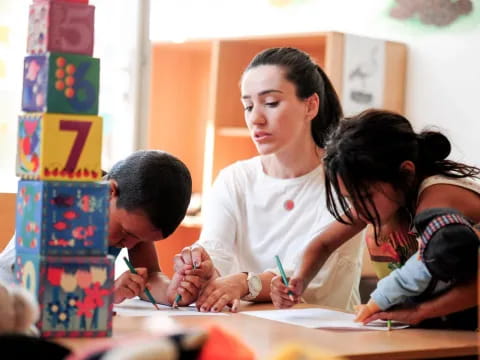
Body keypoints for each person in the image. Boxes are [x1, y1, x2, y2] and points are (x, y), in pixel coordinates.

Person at [174, 47, 364, 313]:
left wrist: (244, 283)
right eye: (248, 106)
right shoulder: (234, 179)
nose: (256, 118)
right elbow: (215, 248)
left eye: (271, 103)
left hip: (323, 339)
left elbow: (312, 278)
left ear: (310, 105)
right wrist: (203, 268)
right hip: (251, 328)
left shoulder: (343, 184)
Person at [274, 109, 479, 329]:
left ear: (406, 173)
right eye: (349, 198)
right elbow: (323, 244)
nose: (359, 209)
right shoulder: (386, 196)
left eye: (363, 196)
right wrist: (300, 280)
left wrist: (420, 312)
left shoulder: (436, 201)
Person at [0, 150, 204, 306]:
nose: (130, 244)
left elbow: (149, 275)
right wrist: (105, 293)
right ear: (109, 192)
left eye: (140, 239)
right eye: (127, 233)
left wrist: (170, 291)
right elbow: (40, 285)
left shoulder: (134, 218)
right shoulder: (63, 205)